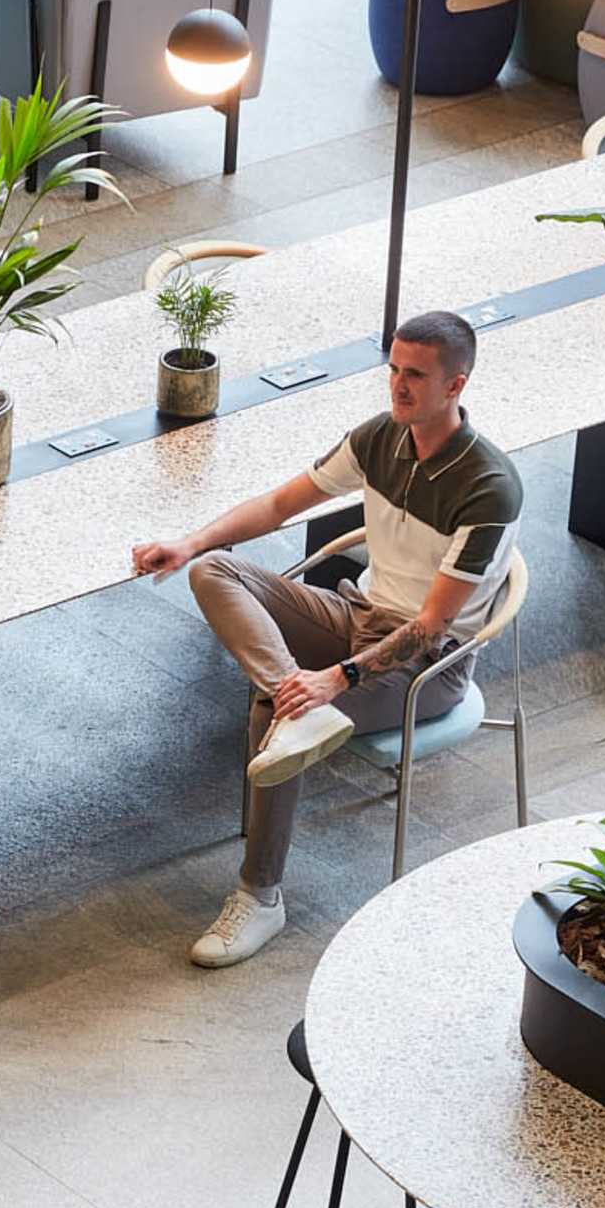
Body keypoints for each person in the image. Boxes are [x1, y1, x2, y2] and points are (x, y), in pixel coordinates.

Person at [130, 307, 522, 969]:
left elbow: (430, 625)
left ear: (455, 386)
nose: (398, 386)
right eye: (393, 369)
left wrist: (335, 679)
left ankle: (260, 896)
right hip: (358, 613)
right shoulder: (379, 437)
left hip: (429, 664)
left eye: (415, 375)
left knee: (277, 709)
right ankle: (297, 706)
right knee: (216, 570)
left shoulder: (489, 488)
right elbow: (280, 505)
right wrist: (190, 541)